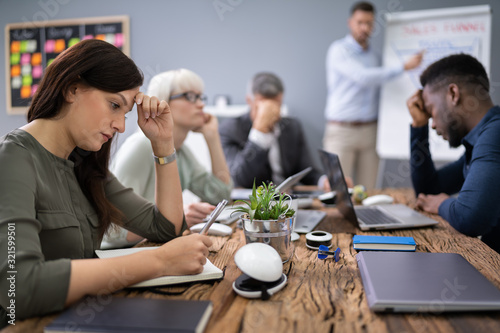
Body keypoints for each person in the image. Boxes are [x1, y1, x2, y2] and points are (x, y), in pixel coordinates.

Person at [0, 39, 212, 324]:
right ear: (72, 89)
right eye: (114, 105)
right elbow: (18, 289)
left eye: (125, 113)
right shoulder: (13, 160)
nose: (122, 126)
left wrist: (163, 144)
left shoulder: (85, 164)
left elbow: (167, 229)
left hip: (83, 318)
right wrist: (158, 262)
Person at [104, 69, 232, 248]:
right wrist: (174, 217)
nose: (201, 105)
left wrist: (213, 137)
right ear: (163, 101)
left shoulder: (181, 152)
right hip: (121, 256)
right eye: (189, 96)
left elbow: (220, 195)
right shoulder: (140, 147)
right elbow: (112, 230)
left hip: (152, 248)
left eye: (201, 97)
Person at [323, 1, 423, 189]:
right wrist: (403, 67)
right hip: (341, 131)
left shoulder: (376, 56)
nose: (365, 28)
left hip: (371, 130)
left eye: (369, 23)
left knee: (368, 191)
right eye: (360, 22)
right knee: (337, 191)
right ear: (350, 22)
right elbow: (362, 77)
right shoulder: (339, 50)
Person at [407, 53, 500, 254]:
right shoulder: (479, 141)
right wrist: (419, 126)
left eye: (431, 111)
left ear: (453, 94)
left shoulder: (496, 133)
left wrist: (442, 203)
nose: (432, 123)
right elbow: (428, 190)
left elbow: (471, 218)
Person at [219, 72, 325, 189]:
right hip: (253, 202)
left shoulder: (292, 127)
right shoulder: (231, 130)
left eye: (276, 105)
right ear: (249, 101)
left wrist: (323, 181)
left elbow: (307, 171)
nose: (271, 112)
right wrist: (259, 133)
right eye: (264, 106)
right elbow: (239, 179)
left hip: (287, 199)